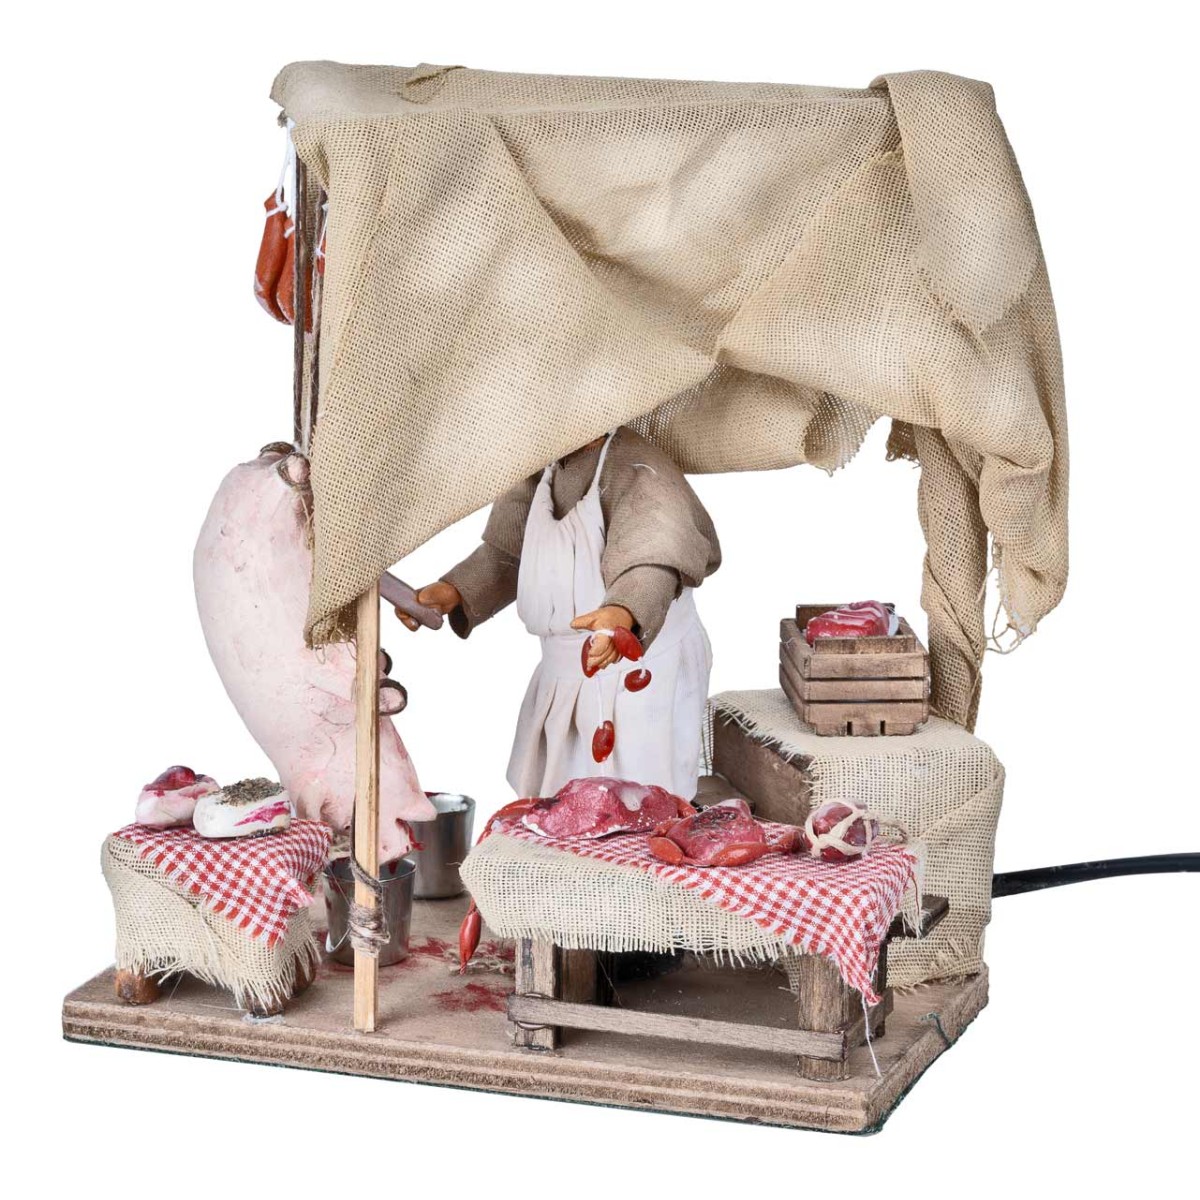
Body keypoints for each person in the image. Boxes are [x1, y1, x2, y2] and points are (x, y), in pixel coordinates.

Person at [398, 426, 720, 799]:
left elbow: (654, 561)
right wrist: (457, 589)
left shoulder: (638, 465)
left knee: (638, 793)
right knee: (561, 790)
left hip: (640, 666)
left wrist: (623, 613)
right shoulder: (541, 463)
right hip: (566, 666)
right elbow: (510, 552)